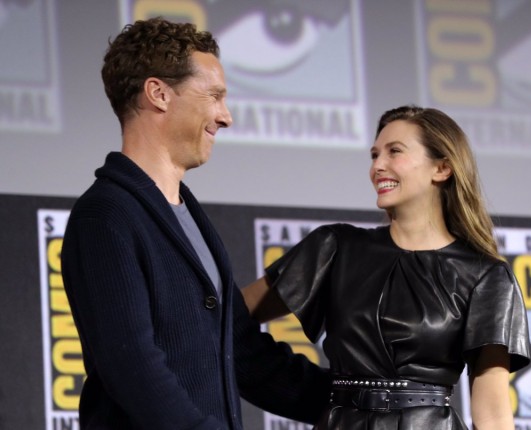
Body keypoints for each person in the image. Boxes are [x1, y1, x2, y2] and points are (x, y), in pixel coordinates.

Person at [61, 17, 330, 429]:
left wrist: (364, 403)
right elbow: (132, 367)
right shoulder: (105, 215)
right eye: (215, 96)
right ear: (159, 94)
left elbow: (246, 357)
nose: (226, 117)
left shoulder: (190, 217)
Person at [242, 105, 531, 429]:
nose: (377, 166)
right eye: (374, 155)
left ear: (442, 168)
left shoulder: (486, 276)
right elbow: (228, 316)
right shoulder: (334, 247)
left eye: (395, 151)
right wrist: (298, 388)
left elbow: (492, 413)